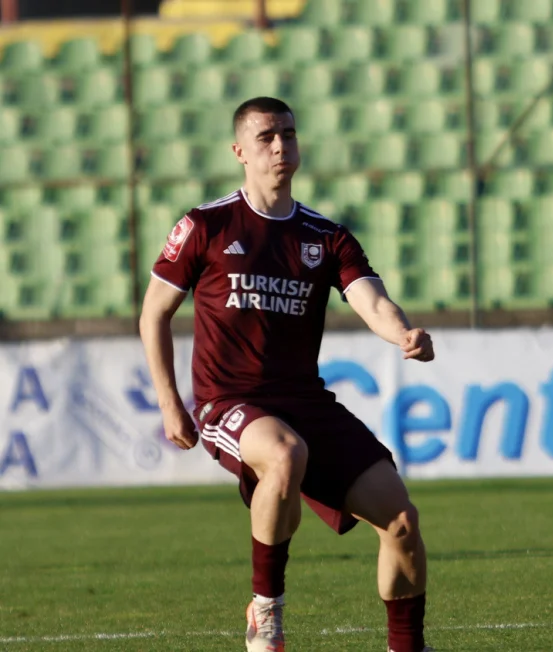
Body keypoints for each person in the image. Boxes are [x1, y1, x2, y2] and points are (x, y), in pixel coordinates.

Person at [138, 97, 436, 652]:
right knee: (283, 453)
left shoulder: (326, 236)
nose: (281, 146)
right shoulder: (205, 225)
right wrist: (169, 402)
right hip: (229, 400)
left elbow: (372, 300)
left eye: (289, 135)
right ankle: (266, 613)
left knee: (401, 522)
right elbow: (153, 312)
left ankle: (408, 647)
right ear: (240, 151)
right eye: (267, 137)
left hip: (305, 401)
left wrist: (403, 333)